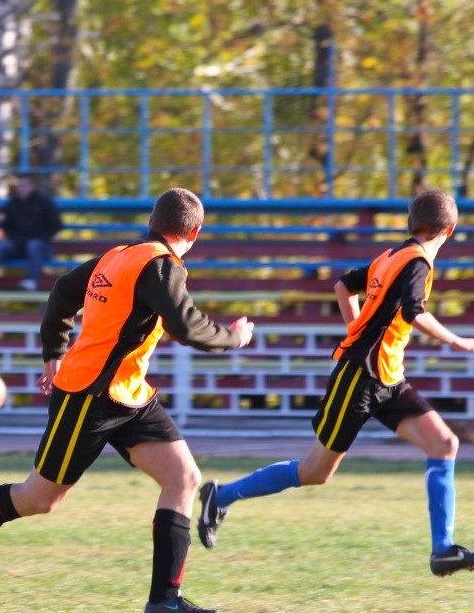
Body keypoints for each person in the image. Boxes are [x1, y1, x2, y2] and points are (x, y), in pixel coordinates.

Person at [0, 188, 255, 613]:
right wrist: (234, 337)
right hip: (88, 398)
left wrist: (53, 352)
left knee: (184, 478)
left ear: (152, 222)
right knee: (38, 498)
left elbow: (63, 290)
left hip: (128, 394)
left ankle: (164, 602)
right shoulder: (160, 265)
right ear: (195, 233)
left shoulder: (118, 255)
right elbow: (187, 326)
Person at [197, 188, 474, 578]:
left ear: (413, 223)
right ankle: (220, 496)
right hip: (359, 378)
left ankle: (443, 550)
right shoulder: (418, 263)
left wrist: (356, 329)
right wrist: (457, 340)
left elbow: (343, 285)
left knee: (444, 444)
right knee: (315, 472)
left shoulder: (391, 256)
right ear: (449, 231)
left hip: (388, 377)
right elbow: (414, 311)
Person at [0, 174, 62, 292]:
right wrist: (12, 238)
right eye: (19, 186)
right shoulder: (12, 204)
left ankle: (31, 282)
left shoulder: (44, 203)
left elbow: (56, 225)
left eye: (24, 186)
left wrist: (42, 238)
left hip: (40, 246)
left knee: (33, 245)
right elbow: (5, 226)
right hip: (17, 245)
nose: (21, 189)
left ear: (32, 186)